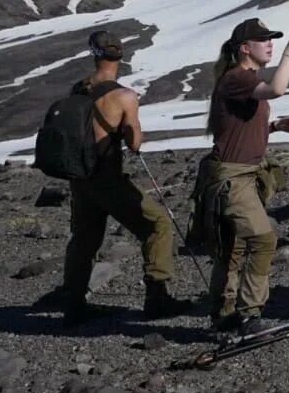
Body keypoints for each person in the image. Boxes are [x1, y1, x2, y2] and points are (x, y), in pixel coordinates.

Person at [61, 30, 194, 325]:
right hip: (108, 175)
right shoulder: (124, 96)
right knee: (157, 224)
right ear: (120, 55)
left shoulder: (78, 89)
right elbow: (134, 144)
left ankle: (74, 304)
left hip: (81, 176)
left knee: (85, 238)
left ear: (94, 53)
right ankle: (157, 297)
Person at [198, 17, 289, 337]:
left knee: (232, 247)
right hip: (231, 178)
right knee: (262, 238)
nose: (270, 44)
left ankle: (223, 315)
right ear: (245, 49)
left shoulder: (243, 80)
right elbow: (277, 89)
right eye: (265, 41)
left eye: (273, 40)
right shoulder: (237, 78)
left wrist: (275, 127)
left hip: (240, 175)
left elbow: (241, 126)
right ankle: (249, 314)